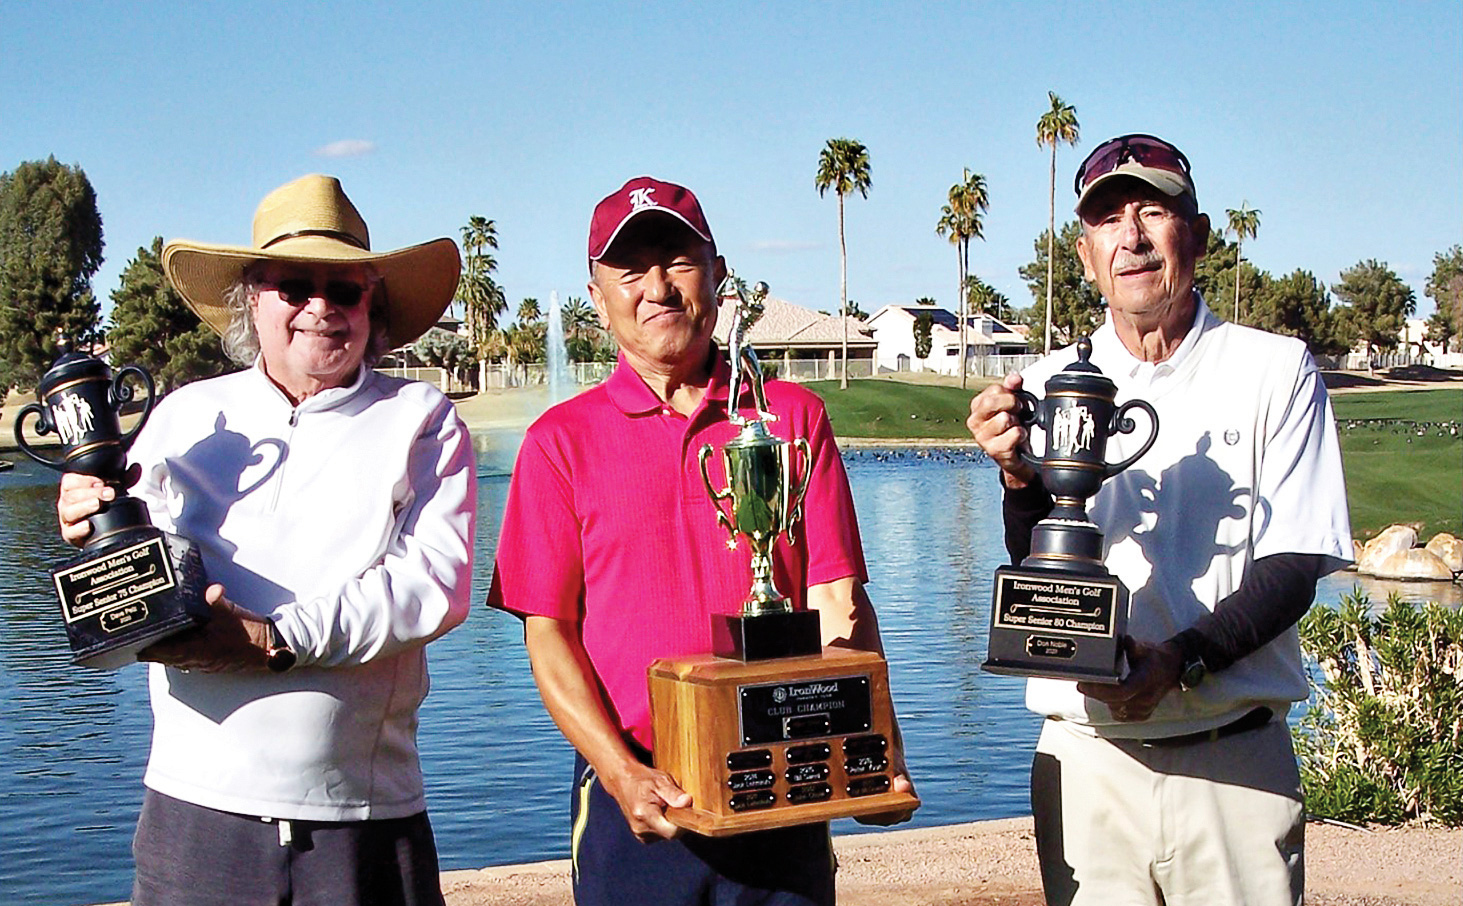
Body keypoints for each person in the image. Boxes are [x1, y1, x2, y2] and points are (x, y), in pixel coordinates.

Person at [488, 176, 912, 906]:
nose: (657, 286)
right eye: (630, 270)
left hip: (786, 774)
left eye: (678, 261)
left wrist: (873, 749)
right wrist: (620, 772)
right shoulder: (558, 441)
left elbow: (836, 594)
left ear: (715, 274)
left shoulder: (787, 416)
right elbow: (547, 635)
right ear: (597, 296)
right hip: (639, 798)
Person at [55, 174, 476, 906]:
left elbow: (429, 590)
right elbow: (131, 584)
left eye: (342, 289)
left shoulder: (421, 418)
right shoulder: (186, 414)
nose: (320, 308)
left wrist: (273, 638)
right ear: (253, 295)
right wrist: (88, 515)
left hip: (362, 818)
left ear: (370, 299)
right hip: (192, 813)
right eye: (294, 286)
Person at [967, 134, 1352, 906]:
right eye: (1109, 219)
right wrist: (1017, 478)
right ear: (1084, 253)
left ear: (1198, 235)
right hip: (1086, 762)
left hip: (1229, 766)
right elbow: (1041, 556)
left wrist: (1176, 661)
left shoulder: (1273, 367)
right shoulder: (1048, 382)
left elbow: (1293, 565)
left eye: (1152, 211)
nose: (1132, 237)